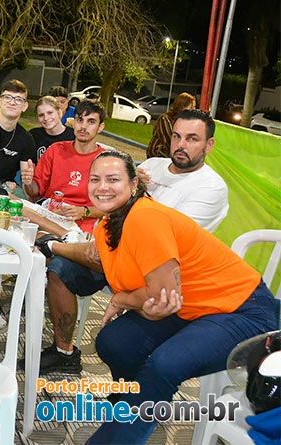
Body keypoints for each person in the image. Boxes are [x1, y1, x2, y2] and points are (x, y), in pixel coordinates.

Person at [85, 148, 279, 444]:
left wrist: (121, 300)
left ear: (134, 184)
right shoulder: (107, 227)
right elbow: (157, 301)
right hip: (190, 307)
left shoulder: (144, 217)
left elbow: (161, 300)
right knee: (115, 342)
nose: (102, 187)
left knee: (165, 365)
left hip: (241, 308)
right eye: (94, 179)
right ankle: (137, 404)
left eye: (113, 179)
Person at [33, 109, 230, 374]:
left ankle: (53, 244)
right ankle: (64, 352)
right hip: (116, 255)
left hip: (156, 273)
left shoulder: (210, 187)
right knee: (59, 269)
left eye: (192, 139)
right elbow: (111, 203)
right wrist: (91, 212)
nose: (181, 145)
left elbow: (166, 241)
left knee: (73, 254)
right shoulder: (150, 166)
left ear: (209, 145)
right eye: (176, 136)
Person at [21, 100, 106, 234]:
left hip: (80, 225)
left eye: (91, 122)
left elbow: (112, 206)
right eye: (80, 120)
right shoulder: (56, 150)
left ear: (100, 127)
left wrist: (84, 211)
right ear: (73, 122)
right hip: (47, 217)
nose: (83, 126)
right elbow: (34, 191)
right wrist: (28, 181)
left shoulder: (106, 161)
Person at [0, 79, 36, 191]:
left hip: (5, 187)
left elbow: (27, 181)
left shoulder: (26, 139)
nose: (12, 102)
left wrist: (27, 180)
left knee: (20, 199)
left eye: (18, 99)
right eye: (7, 97)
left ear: (25, 106)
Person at [146, 92, 196, 158]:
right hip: (158, 155)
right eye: (191, 107)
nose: (194, 110)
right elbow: (169, 140)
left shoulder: (185, 122)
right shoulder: (165, 118)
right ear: (182, 107)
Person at [29, 95, 74, 161]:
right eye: (41, 115)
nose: (46, 118)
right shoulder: (34, 136)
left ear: (59, 112)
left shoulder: (73, 136)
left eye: (50, 113)